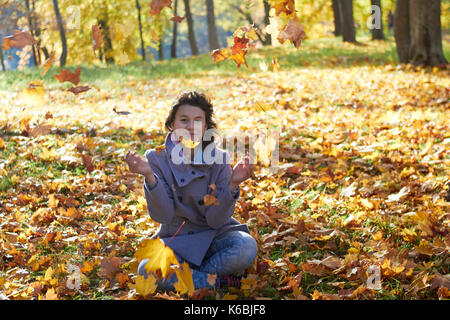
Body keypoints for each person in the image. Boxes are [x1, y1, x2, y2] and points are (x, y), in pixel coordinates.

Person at [125, 91, 257, 291]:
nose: (190, 127)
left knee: (246, 247)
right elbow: (164, 215)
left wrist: (233, 184)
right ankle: (216, 282)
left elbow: (215, 221)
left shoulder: (219, 159)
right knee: (147, 270)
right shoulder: (156, 159)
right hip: (176, 241)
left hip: (215, 237)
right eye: (184, 120)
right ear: (172, 124)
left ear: (205, 127)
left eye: (198, 120)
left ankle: (191, 278)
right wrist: (150, 177)